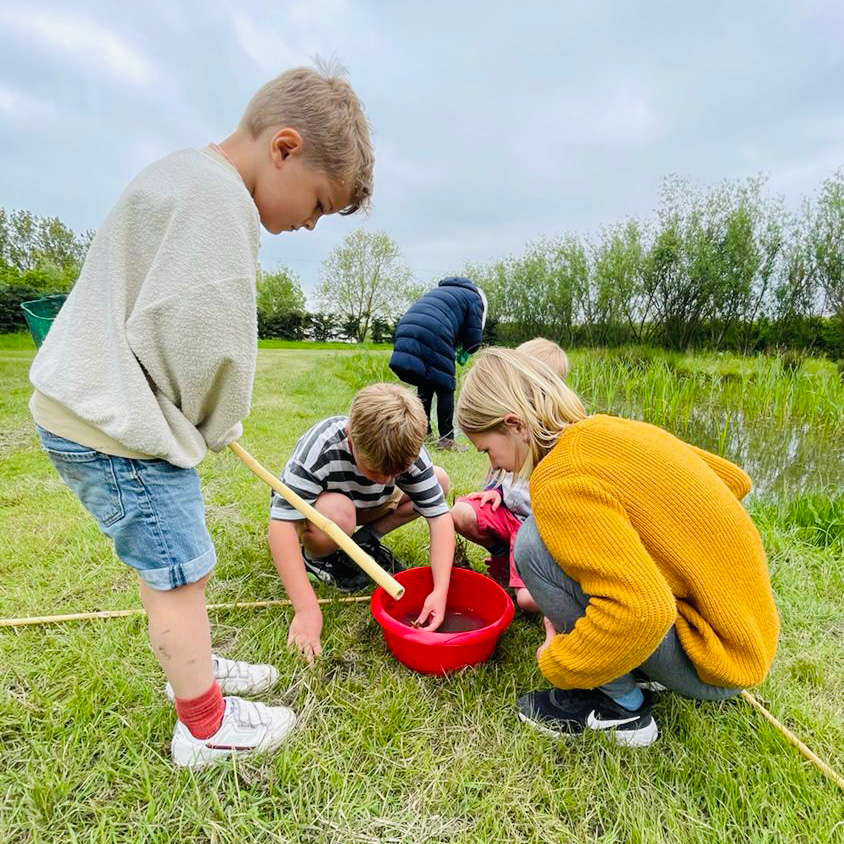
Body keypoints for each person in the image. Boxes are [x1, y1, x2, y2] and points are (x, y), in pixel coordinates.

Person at [28, 64, 374, 768]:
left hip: (96, 406)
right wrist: (219, 418)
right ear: (283, 147)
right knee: (178, 574)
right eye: (315, 203)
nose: (308, 223)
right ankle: (207, 726)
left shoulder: (183, 173)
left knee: (178, 565)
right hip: (117, 426)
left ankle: (197, 669)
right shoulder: (220, 206)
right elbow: (202, 339)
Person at [455, 348, 778, 747]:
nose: (496, 466)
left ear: (514, 424)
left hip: (715, 661)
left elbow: (644, 611)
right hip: (747, 637)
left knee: (532, 547)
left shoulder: (559, 477)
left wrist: (558, 662)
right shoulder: (612, 428)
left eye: (487, 449)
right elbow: (734, 479)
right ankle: (639, 665)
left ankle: (622, 710)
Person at [268, 383, 455, 664]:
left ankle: (365, 540)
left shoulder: (406, 453)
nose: (386, 478)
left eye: (397, 472)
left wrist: (440, 590)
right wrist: (306, 609)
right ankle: (317, 559)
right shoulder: (320, 450)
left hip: (370, 506)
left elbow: (440, 518)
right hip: (325, 514)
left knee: (439, 482)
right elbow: (281, 527)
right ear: (350, 438)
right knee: (339, 511)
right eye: (375, 470)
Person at [451, 338, 570, 613]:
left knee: (527, 602)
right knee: (461, 512)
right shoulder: (511, 433)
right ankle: (505, 558)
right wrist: (496, 490)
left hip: (535, 533)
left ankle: (547, 586)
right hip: (509, 517)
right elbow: (501, 474)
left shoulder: (553, 447)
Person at [389, 276, 487, 451]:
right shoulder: (474, 298)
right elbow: (474, 335)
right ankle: (447, 440)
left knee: (425, 383)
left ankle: (422, 432)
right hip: (434, 332)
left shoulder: (440, 292)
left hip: (406, 328)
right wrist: (467, 351)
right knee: (445, 386)